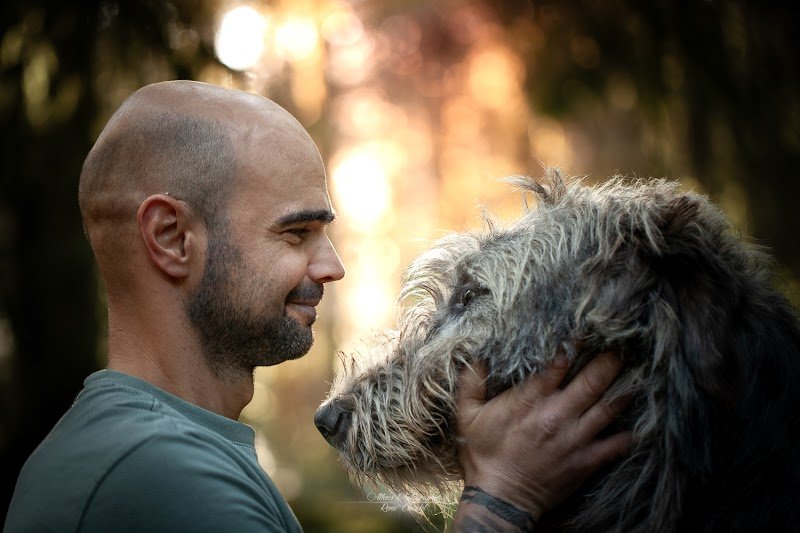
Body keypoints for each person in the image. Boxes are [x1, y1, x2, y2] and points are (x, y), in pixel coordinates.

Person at [4, 81, 630, 532]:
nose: (332, 266)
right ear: (172, 239)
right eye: (295, 233)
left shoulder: (142, 449)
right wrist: (501, 501)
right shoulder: (158, 475)